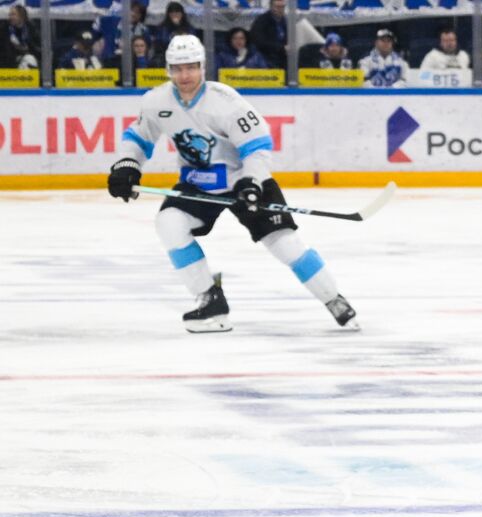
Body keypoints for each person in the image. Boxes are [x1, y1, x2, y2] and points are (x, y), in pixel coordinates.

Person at [105, 36, 358, 333]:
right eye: (177, 69)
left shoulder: (226, 102)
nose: (184, 76)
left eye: (191, 68)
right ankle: (210, 301)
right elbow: (137, 138)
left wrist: (251, 183)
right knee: (169, 223)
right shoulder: (156, 102)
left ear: (202, 67)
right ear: (168, 70)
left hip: (244, 180)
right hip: (196, 183)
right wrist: (127, 165)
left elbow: (257, 145)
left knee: (284, 244)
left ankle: (333, 299)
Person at [249, 0, 288, 70]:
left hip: (283, 57)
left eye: (282, 7)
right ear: (271, 7)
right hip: (266, 57)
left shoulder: (285, 21)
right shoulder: (262, 21)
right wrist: (281, 48)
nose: (280, 10)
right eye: (278, 7)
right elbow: (259, 41)